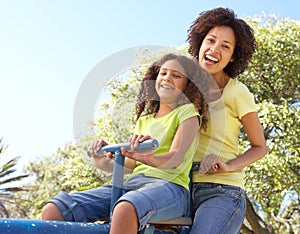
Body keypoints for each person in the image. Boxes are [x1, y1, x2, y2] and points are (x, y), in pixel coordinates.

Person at [41, 53, 210, 234]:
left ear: (187, 86)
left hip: (170, 187)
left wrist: (150, 158)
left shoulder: (187, 113)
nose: (167, 78)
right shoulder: (144, 121)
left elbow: (176, 156)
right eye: (163, 73)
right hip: (134, 184)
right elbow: (130, 164)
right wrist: (102, 162)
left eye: (176, 76)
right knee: (55, 209)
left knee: (125, 208)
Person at [186, 7, 268, 234]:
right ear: (200, 43)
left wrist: (229, 166)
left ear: (233, 56)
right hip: (181, 187)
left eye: (225, 46)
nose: (214, 50)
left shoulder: (237, 92)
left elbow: (260, 147)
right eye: (210, 41)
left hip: (221, 191)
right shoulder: (183, 87)